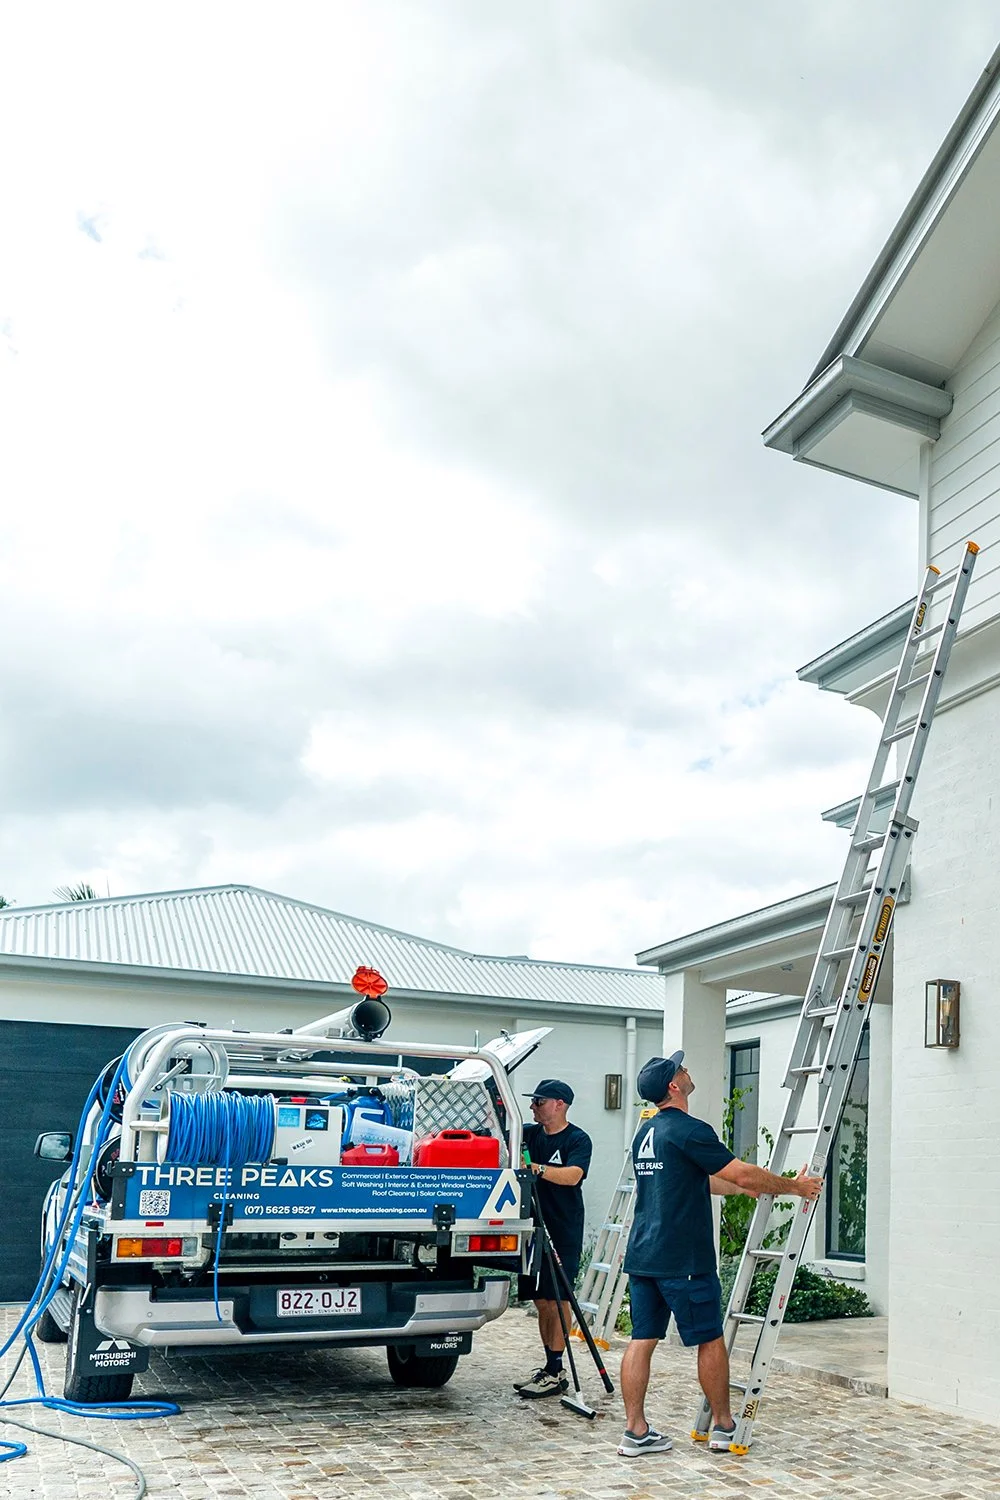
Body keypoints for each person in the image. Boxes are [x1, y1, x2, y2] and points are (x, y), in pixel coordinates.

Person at [617, 1051, 822, 1458]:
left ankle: (635, 1431)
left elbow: (702, 1179)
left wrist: (746, 1188)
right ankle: (725, 1427)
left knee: (642, 1339)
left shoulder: (647, 1132)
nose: (687, 1070)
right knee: (710, 1339)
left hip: (644, 1255)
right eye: (681, 1069)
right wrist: (794, 1186)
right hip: (684, 1259)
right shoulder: (691, 1129)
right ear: (674, 1085)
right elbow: (739, 1170)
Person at [513, 1078, 593, 1399]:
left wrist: (536, 1168)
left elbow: (573, 1175)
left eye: (539, 1101)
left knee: (558, 1299)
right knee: (541, 1300)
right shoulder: (528, 1135)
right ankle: (550, 1367)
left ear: (559, 1104)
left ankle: (557, 1370)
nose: (533, 1106)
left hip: (563, 1228)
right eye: (533, 1101)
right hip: (531, 1226)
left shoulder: (577, 1139)